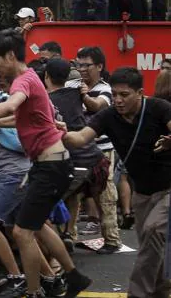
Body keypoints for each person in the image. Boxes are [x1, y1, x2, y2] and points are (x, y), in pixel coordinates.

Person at [0, 29, 92, 298]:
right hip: (48, 164)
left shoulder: (22, 81)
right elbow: (21, 117)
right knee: (30, 226)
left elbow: (12, 107)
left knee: (23, 231)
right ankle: (71, 276)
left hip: (51, 166)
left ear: (11, 56)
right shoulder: (32, 79)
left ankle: (35, 289)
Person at [63, 67, 171, 298]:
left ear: (140, 93)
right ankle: (162, 291)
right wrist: (58, 131)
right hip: (142, 193)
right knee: (151, 248)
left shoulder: (159, 109)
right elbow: (81, 138)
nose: (118, 100)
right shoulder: (108, 116)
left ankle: (137, 293)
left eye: (125, 95)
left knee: (153, 233)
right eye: (115, 95)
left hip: (168, 189)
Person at [43, 58, 110, 252]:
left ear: (46, 76)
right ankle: (68, 236)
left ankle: (56, 250)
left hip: (72, 159)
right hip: (93, 158)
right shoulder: (76, 93)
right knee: (74, 197)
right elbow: (94, 105)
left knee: (52, 202)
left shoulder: (46, 101)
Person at [66, 46, 122, 254]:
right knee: (72, 195)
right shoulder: (72, 85)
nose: (82, 69)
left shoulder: (105, 88)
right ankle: (69, 237)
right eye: (78, 65)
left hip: (102, 151)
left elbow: (98, 106)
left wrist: (84, 96)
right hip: (78, 150)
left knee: (105, 196)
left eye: (86, 65)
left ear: (99, 66)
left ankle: (112, 240)